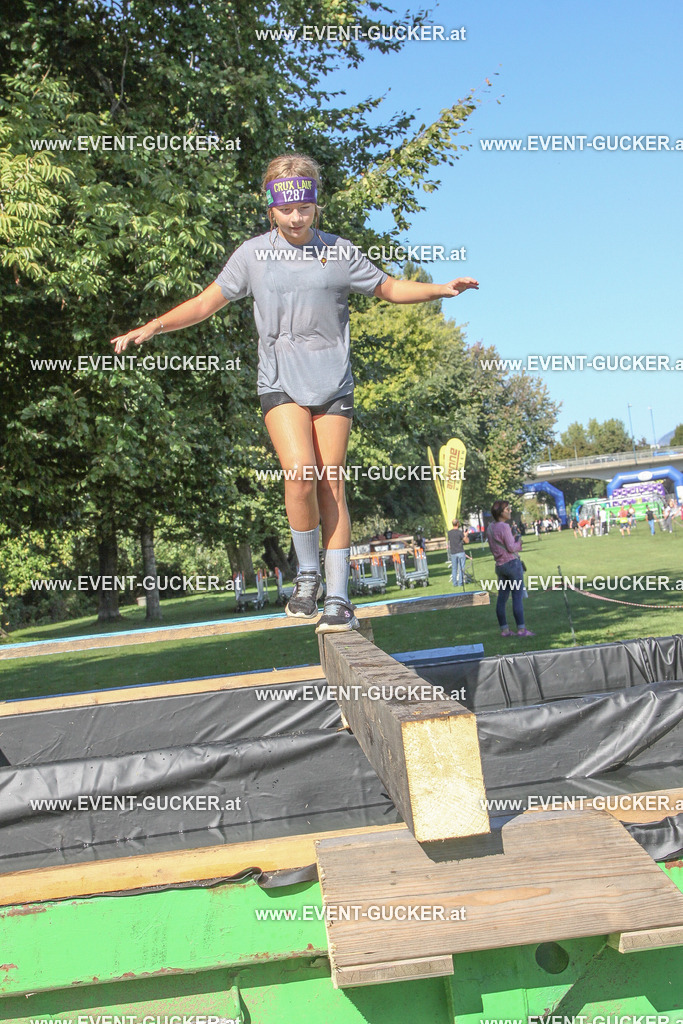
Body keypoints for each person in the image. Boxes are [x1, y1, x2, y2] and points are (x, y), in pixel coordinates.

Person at [110, 152, 479, 632]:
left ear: (314, 204)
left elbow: (388, 288)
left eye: (304, 208)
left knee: (332, 484)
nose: (297, 218)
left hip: (333, 384)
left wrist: (440, 290)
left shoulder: (338, 251)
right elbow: (206, 302)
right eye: (287, 210)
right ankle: (307, 575)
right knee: (300, 475)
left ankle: (339, 599)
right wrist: (155, 326)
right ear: (271, 208)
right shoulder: (251, 257)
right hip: (281, 381)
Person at [486, 499, 534, 638]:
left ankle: (505, 630)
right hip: (512, 564)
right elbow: (511, 548)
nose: (510, 511)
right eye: (508, 509)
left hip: (500, 566)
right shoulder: (504, 527)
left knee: (502, 598)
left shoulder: (490, 527)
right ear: (500, 513)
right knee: (516, 597)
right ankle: (521, 629)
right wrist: (519, 542)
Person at [447, 518, 469, 587]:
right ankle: (460, 583)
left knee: (454, 568)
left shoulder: (449, 533)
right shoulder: (459, 532)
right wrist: (465, 535)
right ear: (457, 524)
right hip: (460, 551)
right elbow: (466, 541)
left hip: (453, 552)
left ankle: (454, 583)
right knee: (461, 568)